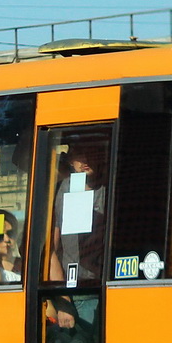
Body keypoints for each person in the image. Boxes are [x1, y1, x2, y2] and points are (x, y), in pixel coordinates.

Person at [47, 137, 108, 327]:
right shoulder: (60, 190)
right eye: (79, 154)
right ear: (71, 159)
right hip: (72, 289)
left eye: (91, 152)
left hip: (104, 284)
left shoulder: (109, 188)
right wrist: (61, 301)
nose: (85, 159)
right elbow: (50, 249)